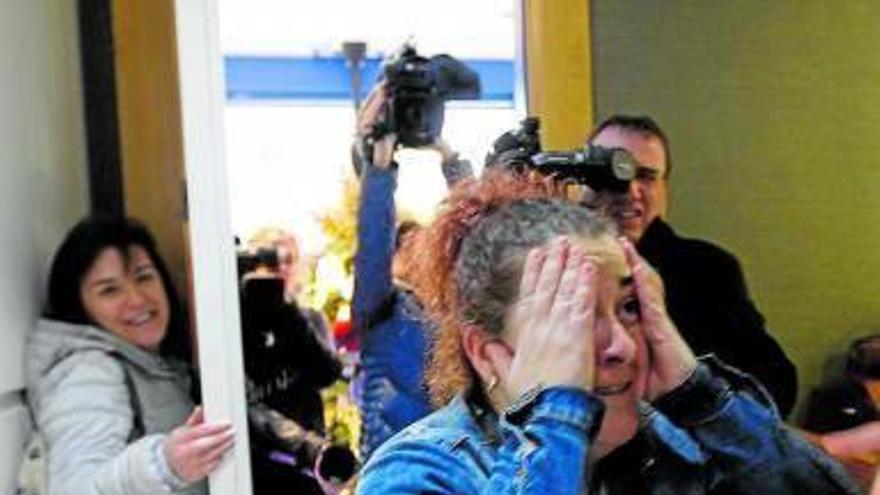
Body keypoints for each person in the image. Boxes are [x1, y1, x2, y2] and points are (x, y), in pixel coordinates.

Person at [357, 171, 860, 494]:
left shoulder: (671, 444)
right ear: (487, 354)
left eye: (628, 307)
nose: (620, 345)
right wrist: (553, 417)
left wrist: (699, 397)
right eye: (571, 319)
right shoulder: (417, 473)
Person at [587, 114, 799, 417]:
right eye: (614, 173)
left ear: (664, 188)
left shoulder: (708, 269)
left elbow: (775, 386)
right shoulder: (552, 265)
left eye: (646, 176)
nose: (631, 190)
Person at [24, 216, 233, 495]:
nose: (136, 299)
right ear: (78, 305)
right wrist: (162, 465)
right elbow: (74, 488)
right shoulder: (88, 372)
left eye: (144, 277)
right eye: (109, 290)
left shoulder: (155, 362)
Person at [351, 83, 472, 461]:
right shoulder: (379, 306)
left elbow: (479, 231)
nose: (416, 252)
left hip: (456, 462)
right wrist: (380, 167)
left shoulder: (459, 304)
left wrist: (447, 154)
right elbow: (373, 239)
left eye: (423, 242)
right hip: (394, 463)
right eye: (402, 245)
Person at [240, 228, 345, 494]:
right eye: (270, 262)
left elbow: (328, 373)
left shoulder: (307, 319)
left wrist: (289, 313)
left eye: (288, 261)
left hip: (307, 465)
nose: (280, 269)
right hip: (257, 468)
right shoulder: (237, 326)